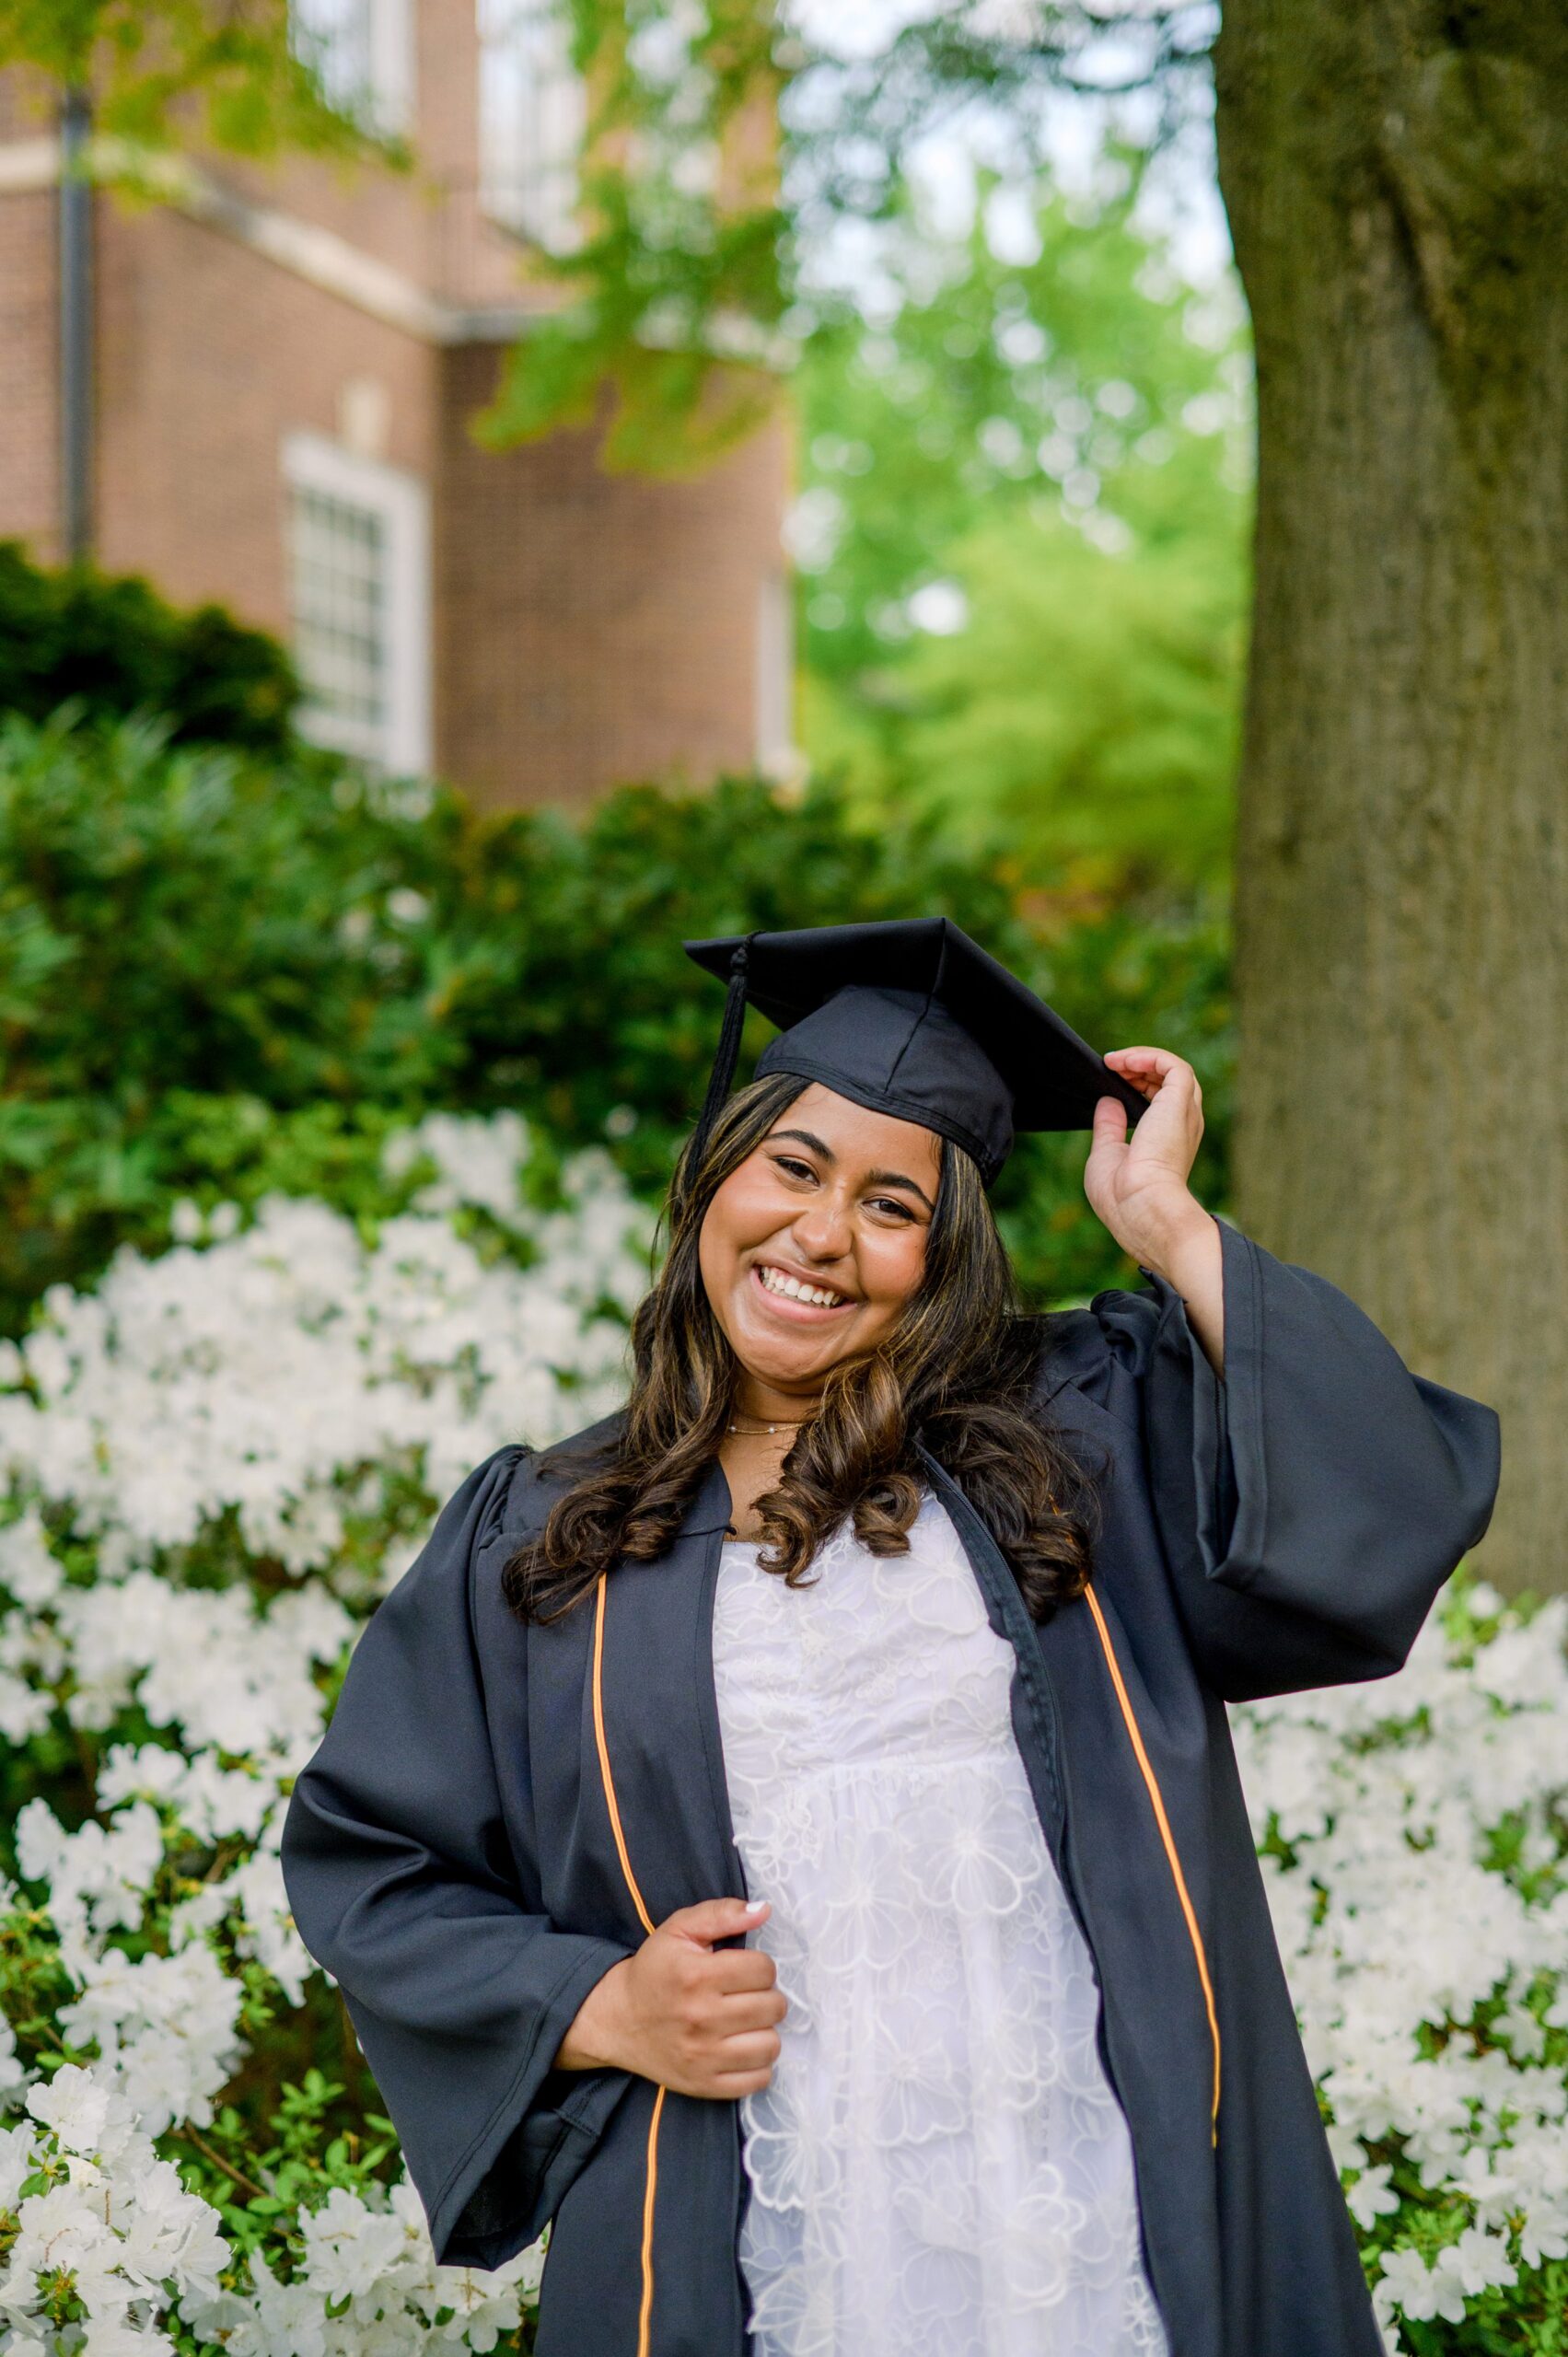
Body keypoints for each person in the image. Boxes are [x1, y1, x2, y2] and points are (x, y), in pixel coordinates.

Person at [281, 919, 1500, 2357]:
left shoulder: (1072, 1446)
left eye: (890, 1205)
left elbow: (1393, 1500)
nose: (821, 1235)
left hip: (1092, 2220)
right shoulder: (550, 1537)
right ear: (713, 1175)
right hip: (771, 2239)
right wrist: (603, 2005)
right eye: (793, 1168)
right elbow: (374, 1861)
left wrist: (1172, 1228)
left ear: (943, 1257)